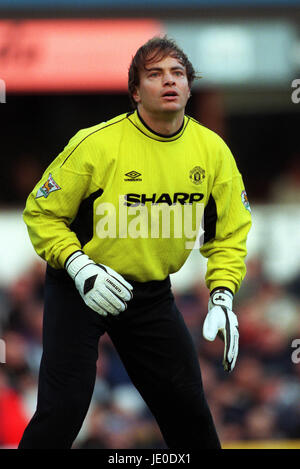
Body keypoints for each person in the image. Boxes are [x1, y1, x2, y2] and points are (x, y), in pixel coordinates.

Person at [18, 36, 252, 449]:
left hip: (150, 296)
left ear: (189, 86)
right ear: (134, 90)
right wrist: (79, 266)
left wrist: (222, 295)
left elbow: (229, 234)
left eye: (178, 73)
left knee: (192, 418)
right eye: (155, 74)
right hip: (81, 287)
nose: (169, 82)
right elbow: (41, 212)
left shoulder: (213, 152)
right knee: (63, 410)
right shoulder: (96, 144)